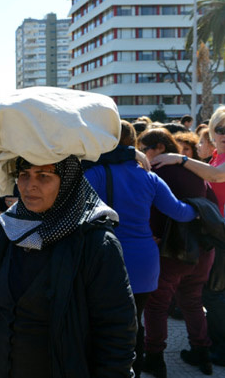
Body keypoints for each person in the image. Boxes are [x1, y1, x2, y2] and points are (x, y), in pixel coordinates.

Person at [0, 87, 137, 378]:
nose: (30, 185)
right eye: (24, 174)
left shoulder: (96, 243)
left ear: (68, 181)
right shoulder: (10, 228)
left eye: (44, 176)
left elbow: (117, 335)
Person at [84, 121, 199, 377]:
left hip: (105, 258)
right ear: (134, 144)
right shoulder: (149, 177)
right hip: (144, 262)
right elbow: (180, 212)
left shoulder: (95, 174)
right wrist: (202, 209)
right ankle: (133, 369)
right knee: (134, 322)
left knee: (102, 322)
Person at [139, 127, 215, 376]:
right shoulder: (195, 169)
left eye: (144, 148)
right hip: (202, 251)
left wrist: (152, 235)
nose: (142, 154)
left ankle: (155, 358)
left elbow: (154, 210)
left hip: (172, 250)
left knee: (157, 304)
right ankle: (202, 353)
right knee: (193, 302)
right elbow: (210, 203)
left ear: (159, 148)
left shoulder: (158, 172)